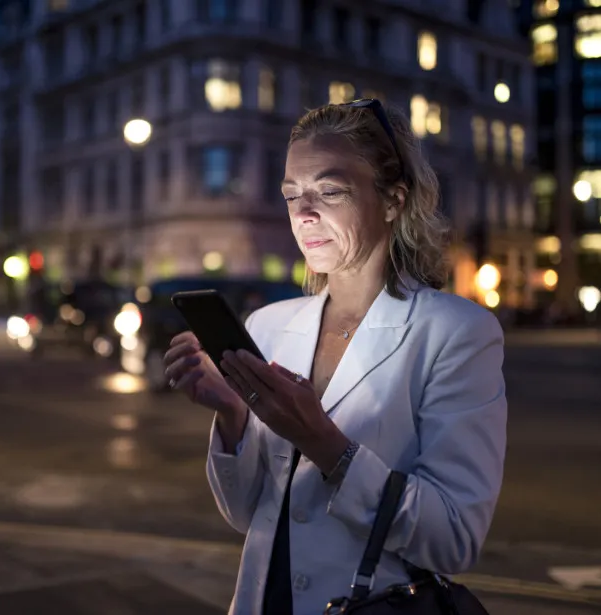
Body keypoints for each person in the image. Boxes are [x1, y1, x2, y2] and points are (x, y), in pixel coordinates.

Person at [163, 99, 506, 615]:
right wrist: (231, 414)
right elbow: (248, 516)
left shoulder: (456, 332)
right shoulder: (269, 326)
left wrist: (325, 444)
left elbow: (453, 538)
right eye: (291, 195)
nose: (304, 213)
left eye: (329, 191)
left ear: (392, 200)